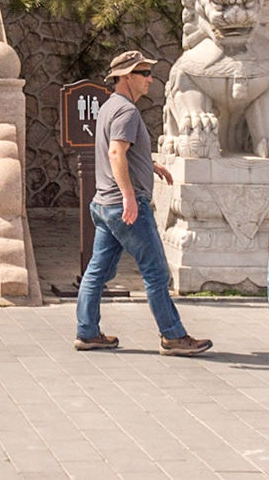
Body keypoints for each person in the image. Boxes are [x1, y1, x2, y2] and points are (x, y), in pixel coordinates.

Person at [73, 49, 214, 356]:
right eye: (144, 73)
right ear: (126, 77)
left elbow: (121, 150)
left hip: (103, 204)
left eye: (150, 72)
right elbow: (116, 154)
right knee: (157, 273)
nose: (151, 79)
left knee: (97, 271)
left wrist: (149, 165)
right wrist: (129, 198)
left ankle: (87, 332)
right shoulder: (126, 112)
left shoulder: (110, 107)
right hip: (124, 204)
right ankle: (173, 337)